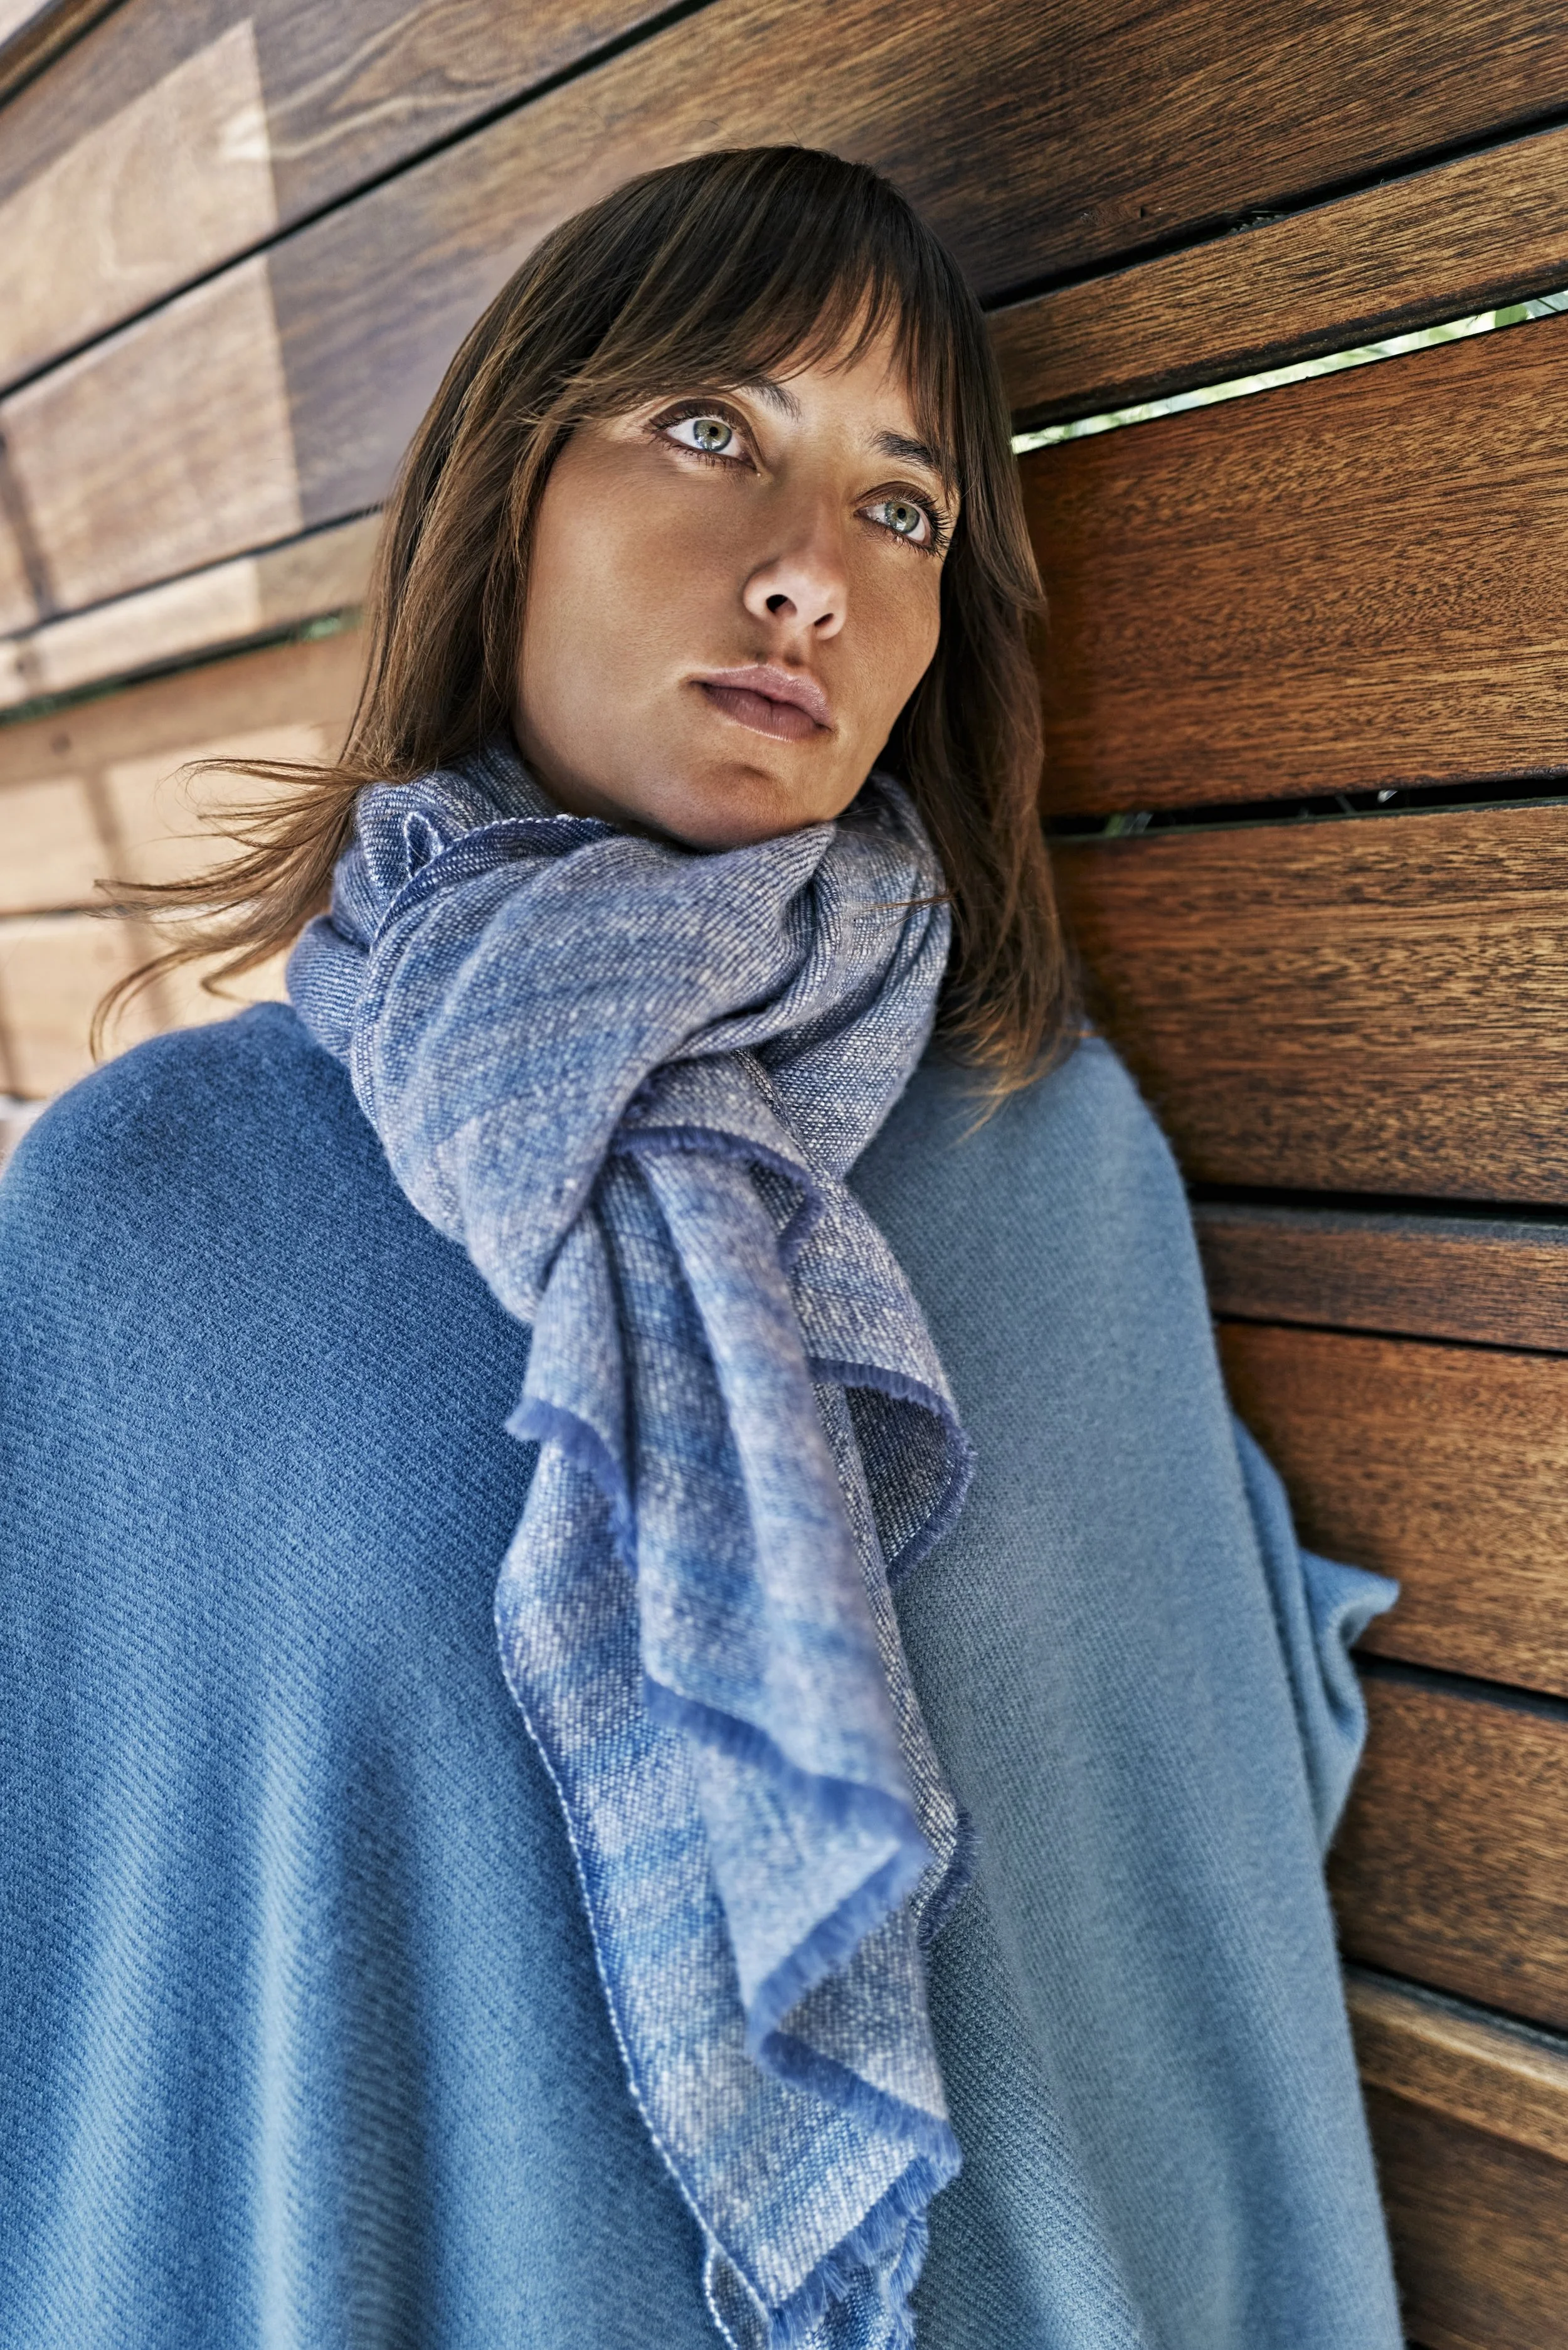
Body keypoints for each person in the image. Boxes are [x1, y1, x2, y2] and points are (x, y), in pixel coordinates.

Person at [0, 147, 1403, 2350]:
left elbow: (1177, 1911)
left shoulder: (1045, 1156)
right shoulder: (144, 1216)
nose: (809, 576)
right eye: (711, 430)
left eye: (902, 506)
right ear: (506, 492)